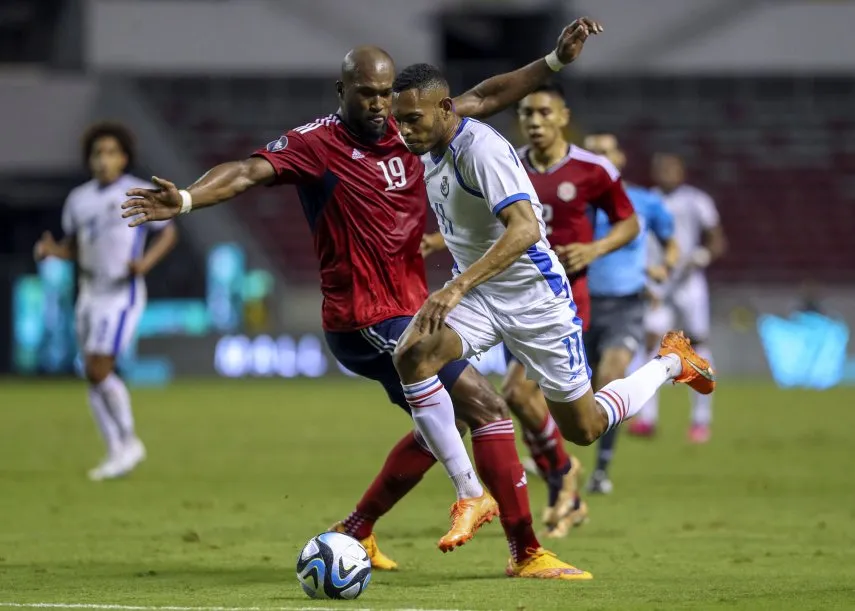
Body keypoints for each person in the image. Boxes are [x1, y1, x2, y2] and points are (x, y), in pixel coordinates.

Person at [121, 21, 605, 579]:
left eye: (384, 94)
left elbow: (488, 96)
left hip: (409, 308)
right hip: (366, 317)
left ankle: (356, 532)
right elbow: (247, 173)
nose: (379, 106)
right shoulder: (316, 144)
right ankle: (521, 546)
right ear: (341, 92)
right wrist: (185, 198)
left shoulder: (411, 125)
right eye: (366, 95)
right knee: (487, 408)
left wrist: (554, 62)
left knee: (436, 428)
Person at [390, 63, 716, 578]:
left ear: (443, 109)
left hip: (535, 300)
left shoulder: (482, 151)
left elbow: (523, 229)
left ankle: (671, 363)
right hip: (482, 295)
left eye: (411, 120)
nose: (403, 131)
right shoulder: (433, 141)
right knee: (412, 354)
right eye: (398, 121)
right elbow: (486, 92)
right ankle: (471, 493)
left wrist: (455, 285)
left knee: (583, 427)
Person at [420, 82, 640, 537]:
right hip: (500, 292)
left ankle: (562, 474)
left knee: (523, 396)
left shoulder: (591, 169)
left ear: (563, 116)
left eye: (543, 113)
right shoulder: (507, 160)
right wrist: (440, 241)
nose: (534, 122)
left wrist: (596, 249)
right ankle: (562, 477)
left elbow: (629, 222)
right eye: (526, 114)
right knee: (518, 398)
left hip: (555, 296)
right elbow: (481, 218)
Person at [34, 122, 178, 481]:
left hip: (121, 293)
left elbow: (167, 232)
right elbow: (76, 247)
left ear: (124, 157)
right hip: (88, 293)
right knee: (91, 373)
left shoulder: (138, 191)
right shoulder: (78, 199)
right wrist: (54, 251)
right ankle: (116, 449)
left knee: (99, 368)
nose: (103, 160)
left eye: (111, 152)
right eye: (97, 153)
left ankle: (129, 442)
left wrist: (144, 264)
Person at [581, 133, 679, 494]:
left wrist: (663, 267)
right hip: (577, 305)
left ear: (619, 158)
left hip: (626, 303)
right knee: (575, 395)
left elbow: (672, 243)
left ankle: (601, 471)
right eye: (591, 153)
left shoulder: (644, 202)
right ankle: (555, 460)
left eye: (605, 152)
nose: (599, 158)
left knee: (610, 376)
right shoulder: (569, 202)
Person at [631, 153, 727, 443]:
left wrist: (704, 254)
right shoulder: (647, 201)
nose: (667, 173)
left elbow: (717, 238)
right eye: (661, 168)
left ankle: (701, 419)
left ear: (682, 171)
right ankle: (647, 418)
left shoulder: (697, 200)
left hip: (689, 282)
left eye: (672, 168)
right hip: (659, 281)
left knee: (697, 344)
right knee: (651, 343)